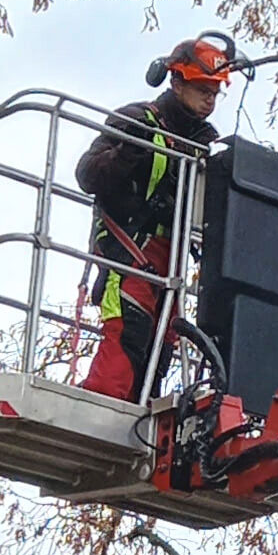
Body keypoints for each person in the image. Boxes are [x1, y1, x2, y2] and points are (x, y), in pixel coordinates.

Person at [75, 38, 229, 402]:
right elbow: (87, 176)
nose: (210, 98)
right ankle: (105, 404)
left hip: (172, 256)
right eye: (202, 88)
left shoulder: (208, 145)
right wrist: (132, 151)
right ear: (176, 82)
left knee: (164, 341)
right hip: (130, 248)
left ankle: (144, 412)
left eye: (215, 92)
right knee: (128, 327)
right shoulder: (138, 120)